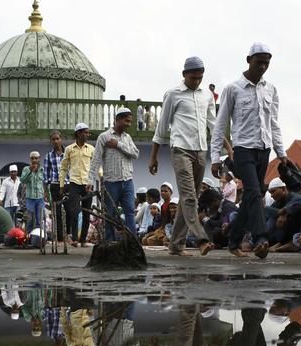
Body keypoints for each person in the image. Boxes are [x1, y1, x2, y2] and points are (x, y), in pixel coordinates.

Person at [211, 42, 288, 259]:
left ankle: (233, 240)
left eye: (267, 62)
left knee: (251, 198)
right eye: (259, 62)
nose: (263, 66)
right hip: (242, 149)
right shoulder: (233, 89)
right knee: (254, 192)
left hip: (264, 149)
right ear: (248, 60)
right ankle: (261, 239)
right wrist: (215, 157)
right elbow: (220, 123)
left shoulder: (271, 89)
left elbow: (274, 123)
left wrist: (281, 153)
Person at [149, 56, 217, 256]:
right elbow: (162, 128)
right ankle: (202, 239)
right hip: (180, 149)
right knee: (188, 197)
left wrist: (227, 149)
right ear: (184, 75)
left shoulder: (207, 95)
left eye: (200, 78)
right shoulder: (173, 94)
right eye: (193, 77)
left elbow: (214, 125)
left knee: (192, 197)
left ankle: (176, 245)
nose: (196, 81)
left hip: (201, 150)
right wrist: (153, 156)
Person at [89, 107, 140, 240]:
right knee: (109, 214)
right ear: (117, 119)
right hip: (111, 183)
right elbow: (96, 160)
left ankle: (132, 241)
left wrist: (119, 145)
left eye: (130, 122)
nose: (129, 124)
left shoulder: (127, 137)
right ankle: (110, 242)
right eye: (126, 121)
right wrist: (90, 181)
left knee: (130, 212)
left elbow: (136, 154)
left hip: (127, 181)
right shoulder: (104, 137)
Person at [60, 123, 95, 247]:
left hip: (87, 184)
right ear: (78, 133)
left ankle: (83, 239)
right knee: (74, 212)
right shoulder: (69, 149)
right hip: (74, 184)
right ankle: (74, 238)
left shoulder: (91, 149)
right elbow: (63, 168)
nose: (87, 135)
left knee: (87, 213)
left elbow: (94, 168)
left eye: (88, 133)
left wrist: (92, 182)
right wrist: (61, 184)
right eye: (85, 132)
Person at [43, 130, 67, 242]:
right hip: (55, 186)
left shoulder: (68, 153)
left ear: (61, 139)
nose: (56, 141)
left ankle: (70, 234)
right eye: (53, 139)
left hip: (68, 185)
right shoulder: (48, 156)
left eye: (57, 138)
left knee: (70, 210)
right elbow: (46, 175)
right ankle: (60, 237)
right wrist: (46, 192)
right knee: (56, 212)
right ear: (51, 141)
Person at [21, 151, 47, 236]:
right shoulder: (26, 169)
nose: (34, 160)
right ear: (30, 159)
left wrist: (47, 196)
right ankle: (28, 237)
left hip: (40, 198)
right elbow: (22, 180)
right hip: (30, 198)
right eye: (32, 158)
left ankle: (40, 237)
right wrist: (30, 171)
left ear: (39, 159)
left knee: (40, 219)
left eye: (36, 158)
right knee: (30, 219)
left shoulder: (42, 170)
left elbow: (45, 183)